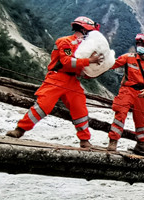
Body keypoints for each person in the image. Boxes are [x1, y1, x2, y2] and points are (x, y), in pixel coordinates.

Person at [6, 16, 104, 148]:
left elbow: (80, 66)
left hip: (72, 81)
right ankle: (19, 130)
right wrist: (91, 61)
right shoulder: (65, 42)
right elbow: (67, 61)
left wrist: (90, 72)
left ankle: (84, 140)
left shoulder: (84, 47)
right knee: (43, 106)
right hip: (57, 78)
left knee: (80, 110)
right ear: (84, 29)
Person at [106, 33, 144, 153]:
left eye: (143, 44)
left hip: (141, 93)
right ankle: (113, 142)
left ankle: (141, 144)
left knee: (141, 120)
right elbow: (112, 64)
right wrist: (100, 61)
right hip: (127, 90)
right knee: (120, 115)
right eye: (138, 44)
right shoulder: (128, 57)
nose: (139, 46)